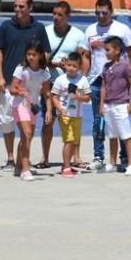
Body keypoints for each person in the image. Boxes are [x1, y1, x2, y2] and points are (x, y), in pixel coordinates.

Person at [79, 0, 131, 172]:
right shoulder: (90, 30)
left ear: (111, 12)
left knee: (120, 121)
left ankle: (125, 158)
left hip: (120, 81)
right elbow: (86, 56)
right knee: (99, 120)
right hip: (97, 80)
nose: (100, 16)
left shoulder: (122, 29)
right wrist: (84, 80)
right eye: (97, 12)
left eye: (104, 12)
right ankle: (99, 156)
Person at [0, 0, 49, 172]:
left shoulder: (39, 28)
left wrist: (41, 77)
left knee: (27, 129)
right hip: (9, 83)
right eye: (16, 6)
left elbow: (45, 53)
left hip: (30, 90)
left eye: (21, 6)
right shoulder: (6, 26)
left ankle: (22, 160)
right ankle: (11, 158)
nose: (17, 9)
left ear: (30, 8)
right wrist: (0, 76)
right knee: (7, 122)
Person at [39, 0, 86, 169]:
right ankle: (45, 158)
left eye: (60, 15)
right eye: (54, 14)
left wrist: (82, 80)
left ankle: (77, 157)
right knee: (48, 120)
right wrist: (57, 64)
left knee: (74, 120)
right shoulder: (45, 32)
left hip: (72, 83)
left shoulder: (78, 34)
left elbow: (83, 58)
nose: (56, 17)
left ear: (68, 16)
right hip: (51, 81)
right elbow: (41, 58)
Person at [9, 40, 51, 182]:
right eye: (28, 54)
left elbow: (47, 93)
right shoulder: (21, 69)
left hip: (33, 107)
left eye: (34, 54)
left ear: (40, 55)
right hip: (19, 105)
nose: (31, 57)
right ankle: (25, 171)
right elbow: (12, 89)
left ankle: (18, 166)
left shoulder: (44, 72)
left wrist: (49, 111)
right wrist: (19, 91)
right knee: (26, 135)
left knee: (27, 138)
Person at [100, 36, 131, 176]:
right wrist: (101, 104)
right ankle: (111, 162)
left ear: (117, 50)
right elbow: (104, 86)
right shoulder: (105, 67)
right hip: (108, 105)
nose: (106, 52)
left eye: (108, 50)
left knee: (126, 135)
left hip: (122, 105)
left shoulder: (125, 65)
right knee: (112, 136)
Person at [50, 51, 91, 179]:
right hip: (65, 114)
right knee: (69, 139)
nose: (71, 68)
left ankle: (67, 165)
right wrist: (59, 109)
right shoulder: (60, 80)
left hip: (77, 115)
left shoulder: (83, 80)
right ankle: (66, 166)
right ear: (65, 65)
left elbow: (87, 97)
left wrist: (79, 97)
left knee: (74, 141)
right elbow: (54, 96)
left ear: (79, 67)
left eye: (74, 66)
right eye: (69, 65)